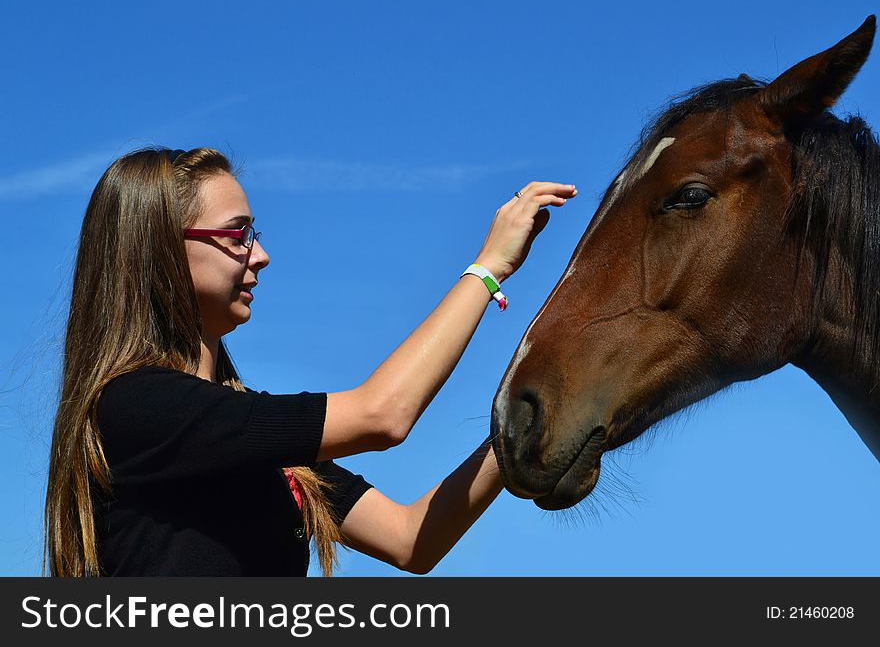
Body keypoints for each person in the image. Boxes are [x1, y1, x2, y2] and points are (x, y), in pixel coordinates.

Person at [44, 146, 576, 576]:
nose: (260, 254)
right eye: (236, 234)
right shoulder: (137, 406)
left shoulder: (245, 430)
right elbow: (383, 415)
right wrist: (487, 269)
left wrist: (521, 428)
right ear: (159, 248)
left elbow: (411, 539)